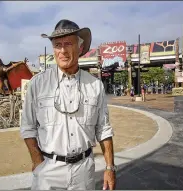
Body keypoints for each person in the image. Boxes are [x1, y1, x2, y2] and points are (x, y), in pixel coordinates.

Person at [20, 19, 116, 190]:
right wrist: (38, 162)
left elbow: (103, 129)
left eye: (68, 44)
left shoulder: (95, 85)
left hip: (84, 172)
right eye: (58, 45)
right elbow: (28, 127)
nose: (62, 51)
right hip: (48, 171)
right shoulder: (37, 84)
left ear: (80, 48)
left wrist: (109, 167)